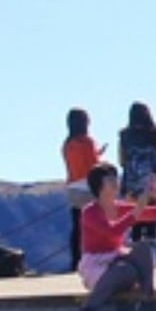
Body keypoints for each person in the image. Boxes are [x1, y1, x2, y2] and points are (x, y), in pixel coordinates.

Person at [77, 164, 156, 311]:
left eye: (115, 177)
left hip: (117, 257)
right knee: (123, 270)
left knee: (144, 248)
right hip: (97, 263)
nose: (115, 182)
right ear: (99, 185)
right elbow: (112, 231)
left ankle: (147, 298)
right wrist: (137, 209)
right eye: (110, 179)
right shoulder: (89, 212)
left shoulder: (119, 207)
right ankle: (91, 307)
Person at [61, 109, 103, 272]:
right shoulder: (87, 141)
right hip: (88, 187)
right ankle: (96, 257)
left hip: (73, 186)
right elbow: (93, 165)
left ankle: (76, 259)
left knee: (77, 225)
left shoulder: (67, 144)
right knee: (95, 224)